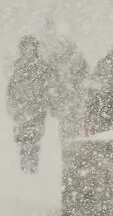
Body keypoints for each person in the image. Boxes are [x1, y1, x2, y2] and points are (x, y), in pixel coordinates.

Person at [6, 36, 53, 174]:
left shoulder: (42, 67)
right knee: (24, 143)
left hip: (37, 112)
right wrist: (13, 108)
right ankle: (24, 169)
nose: (28, 52)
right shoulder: (17, 68)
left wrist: (45, 105)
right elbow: (11, 90)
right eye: (26, 49)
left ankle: (32, 169)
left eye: (31, 49)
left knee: (34, 142)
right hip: (21, 112)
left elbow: (48, 88)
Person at [42, 28, 89, 143]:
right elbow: (51, 83)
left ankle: (71, 149)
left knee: (72, 130)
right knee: (69, 130)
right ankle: (70, 149)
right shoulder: (55, 62)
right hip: (68, 103)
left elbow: (83, 79)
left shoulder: (76, 61)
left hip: (71, 103)